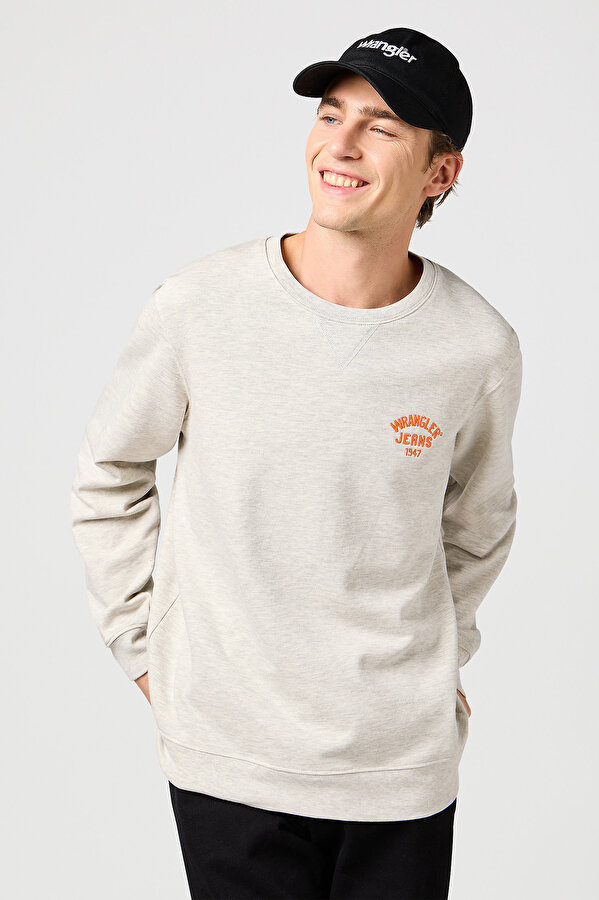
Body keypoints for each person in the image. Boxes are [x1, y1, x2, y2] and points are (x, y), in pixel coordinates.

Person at [70, 25, 522, 900]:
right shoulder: (199, 307)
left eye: (381, 127)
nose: (340, 145)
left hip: (399, 767)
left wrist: (441, 658)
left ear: (440, 173)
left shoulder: (476, 346)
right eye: (329, 115)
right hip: (231, 755)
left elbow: (479, 526)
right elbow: (109, 472)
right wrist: (142, 649)